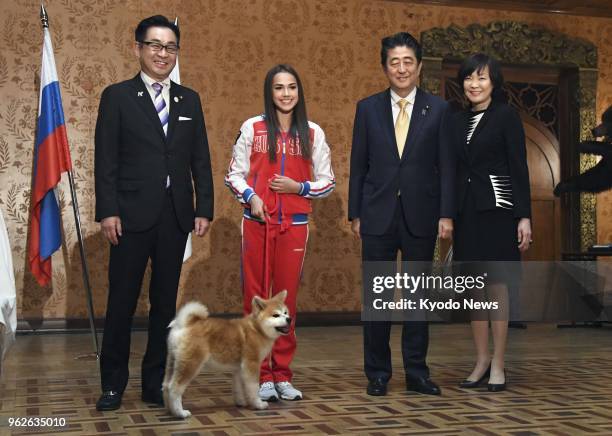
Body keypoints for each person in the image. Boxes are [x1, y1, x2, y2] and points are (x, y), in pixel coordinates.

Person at [94, 15, 214, 411]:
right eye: (155, 45)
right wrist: (108, 211)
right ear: (138, 49)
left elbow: (200, 159)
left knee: (164, 305)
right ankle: (112, 384)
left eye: (170, 47)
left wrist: (203, 208)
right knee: (122, 302)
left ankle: (153, 383)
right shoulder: (117, 96)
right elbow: (105, 160)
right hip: (128, 216)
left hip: (175, 216)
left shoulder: (189, 99)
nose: (163, 53)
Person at [348, 32, 455, 397]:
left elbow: (447, 166)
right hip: (376, 215)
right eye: (394, 62)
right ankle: (377, 373)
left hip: (421, 216)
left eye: (408, 61)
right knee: (377, 298)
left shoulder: (438, 109)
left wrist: (446, 213)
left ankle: (416, 372)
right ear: (384, 67)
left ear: (420, 66)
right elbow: (358, 164)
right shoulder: (367, 108)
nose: (402, 68)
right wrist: (355, 213)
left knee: (417, 299)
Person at [225, 64, 335, 402]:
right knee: (256, 301)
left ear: (299, 92)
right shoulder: (252, 127)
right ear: (269, 92)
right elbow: (234, 174)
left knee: (286, 304)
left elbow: (327, 181)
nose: (286, 94)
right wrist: (251, 196)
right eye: (278, 88)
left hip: (294, 228)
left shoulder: (313, 132)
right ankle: (259, 375)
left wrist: (297, 187)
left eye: (291, 87)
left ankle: (282, 374)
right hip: (257, 224)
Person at [451, 53, 532, 392]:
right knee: (474, 292)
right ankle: (481, 360)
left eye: (482, 78)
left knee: (497, 289)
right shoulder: (455, 120)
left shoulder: (506, 117)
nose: (474, 84)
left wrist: (523, 216)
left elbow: (519, 167)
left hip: (498, 211)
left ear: (493, 82)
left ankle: (499, 363)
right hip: (467, 214)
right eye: (469, 77)